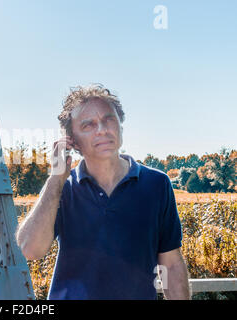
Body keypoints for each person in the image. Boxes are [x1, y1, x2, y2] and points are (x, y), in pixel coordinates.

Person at [16, 84, 190, 300]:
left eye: (109, 119)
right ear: (73, 142)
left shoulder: (157, 184)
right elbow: (30, 249)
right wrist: (55, 179)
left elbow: (171, 265)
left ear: (121, 127)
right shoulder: (63, 188)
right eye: (88, 125)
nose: (102, 129)